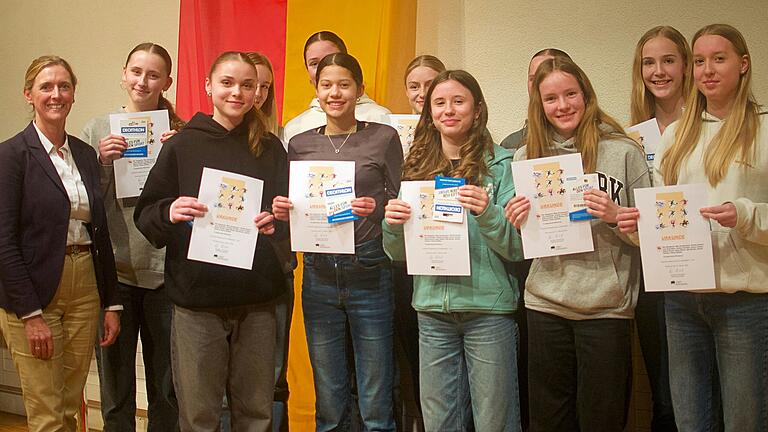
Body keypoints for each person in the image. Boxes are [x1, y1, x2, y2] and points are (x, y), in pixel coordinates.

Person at [617, 24, 768, 432]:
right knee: (689, 420)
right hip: (681, 302)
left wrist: (747, 215)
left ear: (743, 64)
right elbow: (664, 217)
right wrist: (635, 226)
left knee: (744, 421)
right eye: (700, 61)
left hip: (744, 304)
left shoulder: (765, 129)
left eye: (719, 59)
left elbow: (753, 215)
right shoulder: (676, 137)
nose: (708, 70)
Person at [134, 51, 288, 431]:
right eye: (227, 83)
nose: (237, 92)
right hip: (197, 301)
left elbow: (288, 220)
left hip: (257, 301)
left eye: (247, 85)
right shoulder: (182, 146)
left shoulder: (270, 149)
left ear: (258, 92)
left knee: (255, 413)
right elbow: (146, 213)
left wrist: (277, 220)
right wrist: (170, 211)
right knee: (200, 415)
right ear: (208, 86)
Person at [504, 57, 650, 432]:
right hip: (545, 304)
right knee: (549, 420)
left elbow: (650, 236)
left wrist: (616, 216)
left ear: (586, 96)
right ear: (540, 105)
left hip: (606, 308)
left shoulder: (623, 151)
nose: (563, 105)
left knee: (602, 419)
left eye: (570, 94)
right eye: (551, 98)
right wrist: (519, 222)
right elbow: (529, 241)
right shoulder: (525, 156)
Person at [383, 69, 523, 431]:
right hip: (432, 312)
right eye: (439, 103)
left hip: (488, 311)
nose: (449, 110)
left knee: (495, 421)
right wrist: (392, 225)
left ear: (477, 109)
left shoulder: (503, 165)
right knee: (439, 422)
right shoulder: (417, 168)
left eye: (458, 101)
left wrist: (488, 213)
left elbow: (517, 246)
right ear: (429, 114)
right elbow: (397, 254)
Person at [272, 52, 402, 432]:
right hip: (318, 274)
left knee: (376, 398)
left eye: (344, 84)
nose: (335, 93)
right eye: (326, 85)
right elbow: (294, 204)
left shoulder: (383, 137)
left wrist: (375, 207)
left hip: (370, 269)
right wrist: (283, 209)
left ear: (359, 90)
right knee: (328, 397)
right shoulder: (298, 144)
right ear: (316, 90)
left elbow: (400, 199)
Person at [0, 55, 121, 432]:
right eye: (46, 87)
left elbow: (100, 231)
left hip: (85, 286)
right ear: (29, 95)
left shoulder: (84, 155)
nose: (56, 94)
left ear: (73, 94)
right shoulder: (10, 155)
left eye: (64, 86)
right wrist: (30, 314)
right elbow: (3, 241)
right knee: (47, 409)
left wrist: (112, 301)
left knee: (70, 404)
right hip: (34, 292)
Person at [81, 42, 182, 432]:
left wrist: (178, 158)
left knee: (166, 389)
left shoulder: (180, 131)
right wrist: (103, 164)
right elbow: (83, 204)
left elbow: (189, 204)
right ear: (123, 74)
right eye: (136, 72)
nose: (143, 81)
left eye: (153, 74)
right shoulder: (96, 129)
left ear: (166, 82)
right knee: (116, 388)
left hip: (164, 273)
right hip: (115, 276)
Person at [628, 26, 691, 432]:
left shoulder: (707, 126)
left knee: (701, 384)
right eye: (649, 63)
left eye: (668, 60)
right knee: (663, 389)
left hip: (701, 268)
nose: (659, 71)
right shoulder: (632, 135)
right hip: (650, 270)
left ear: (685, 66)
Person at [247, 51, 295, 432]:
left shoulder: (277, 145)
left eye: (264, 86)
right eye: (251, 84)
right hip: (225, 272)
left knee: (274, 375)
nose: (257, 94)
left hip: (273, 269)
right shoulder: (201, 140)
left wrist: (282, 214)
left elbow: (293, 217)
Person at [282, 30, 391, 145]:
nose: (325, 67)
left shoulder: (381, 118)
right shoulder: (295, 128)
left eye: (331, 57)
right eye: (314, 63)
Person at [500, 48, 571, 151]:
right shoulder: (512, 144)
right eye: (533, 79)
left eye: (546, 76)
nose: (538, 84)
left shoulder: (600, 140)